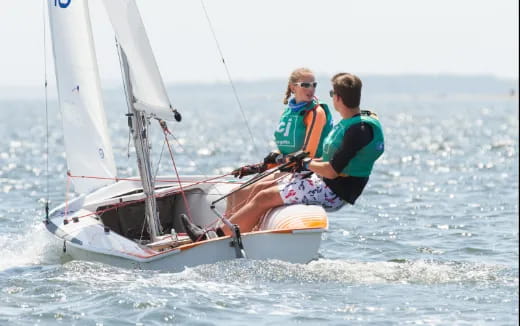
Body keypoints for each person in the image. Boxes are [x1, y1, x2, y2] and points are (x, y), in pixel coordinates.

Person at [182, 72, 384, 241]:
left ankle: (213, 239)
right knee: (260, 188)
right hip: (324, 182)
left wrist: (305, 162)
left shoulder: (359, 130)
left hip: (334, 193)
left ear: (338, 98)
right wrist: (288, 163)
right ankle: (230, 230)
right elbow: (326, 163)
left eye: (332, 93)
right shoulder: (355, 123)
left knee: (263, 197)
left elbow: (331, 171)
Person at [226, 67, 333, 215]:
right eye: (306, 85)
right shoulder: (290, 111)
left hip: (306, 171)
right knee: (234, 194)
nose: (311, 89)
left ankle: (228, 232)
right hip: (288, 168)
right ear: (293, 87)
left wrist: (279, 158)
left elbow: (308, 153)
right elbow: (285, 150)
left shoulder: (316, 112)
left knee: (255, 191)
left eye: (314, 85)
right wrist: (258, 167)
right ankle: (221, 231)